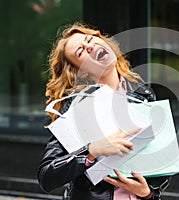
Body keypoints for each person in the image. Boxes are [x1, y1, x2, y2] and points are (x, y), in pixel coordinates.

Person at [38, 22, 171, 200]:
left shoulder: (143, 95)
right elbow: (46, 177)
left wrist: (147, 193)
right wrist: (91, 151)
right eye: (81, 52)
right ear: (82, 72)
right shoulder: (77, 108)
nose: (90, 46)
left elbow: (161, 167)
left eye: (89, 39)